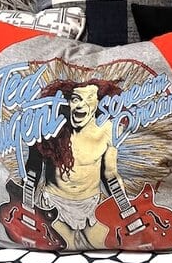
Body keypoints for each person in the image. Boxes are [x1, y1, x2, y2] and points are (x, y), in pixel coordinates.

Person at [31, 78, 123, 249]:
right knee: (65, 247)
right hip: (54, 205)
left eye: (89, 98)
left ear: (98, 103)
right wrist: (27, 206)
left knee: (107, 244)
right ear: (67, 103)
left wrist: (125, 209)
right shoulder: (49, 127)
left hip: (92, 205)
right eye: (76, 99)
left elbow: (110, 174)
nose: (81, 104)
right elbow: (32, 170)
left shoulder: (108, 129)